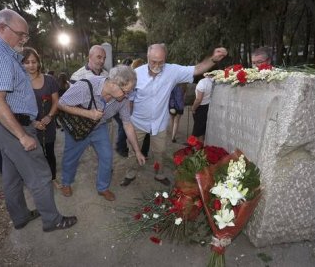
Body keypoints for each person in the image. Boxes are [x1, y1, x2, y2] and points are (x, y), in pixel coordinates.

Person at [0, 9, 77, 232]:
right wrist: (22, 135)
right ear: (1, 28)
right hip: (10, 125)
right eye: (21, 34)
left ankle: (20, 217)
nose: (24, 40)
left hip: (3, 124)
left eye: (26, 36)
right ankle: (52, 220)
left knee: (12, 176)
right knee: (39, 174)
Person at [121, 43, 228, 187]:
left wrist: (213, 59)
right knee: (134, 151)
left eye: (161, 62)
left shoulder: (172, 71)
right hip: (138, 122)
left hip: (159, 123)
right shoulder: (136, 74)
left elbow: (197, 69)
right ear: (147, 57)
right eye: (153, 61)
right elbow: (129, 99)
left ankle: (159, 174)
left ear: (165, 59)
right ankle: (130, 173)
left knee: (160, 152)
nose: (157, 65)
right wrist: (128, 120)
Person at [58, 65, 145, 201]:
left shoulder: (123, 100)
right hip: (78, 128)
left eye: (129, 92)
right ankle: (66, 183)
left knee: (107, 156)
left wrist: (137, 151)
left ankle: (103, 187)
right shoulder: (86, 86)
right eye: (125, 91)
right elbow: (61, 103)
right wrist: (88, 113)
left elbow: (127, 124)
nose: (127, 95)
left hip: (99, 128)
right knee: (71, 158)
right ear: (113, 84)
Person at [22, 47, 60, 187]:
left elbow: (56, 101)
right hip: (28, 126)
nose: (31, 65)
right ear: (21, 64)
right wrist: (33, 122)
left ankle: (53, 178)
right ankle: (37, 181)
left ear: (39, 63)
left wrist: (50, 116)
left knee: (49, 152)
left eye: (34, 61)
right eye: (26, 62)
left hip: (48, 124)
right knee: (32, 155)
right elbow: (18, 108)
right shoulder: (19, 83)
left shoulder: (49, 80)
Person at [191, 76, 213, 142]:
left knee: (198, 132)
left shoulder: (203, 82)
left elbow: (198, 99)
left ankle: (198, 150)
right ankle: (200, 148)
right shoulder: (213, 81)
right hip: (208, 106)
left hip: (200, 107)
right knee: (202, 130)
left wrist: (193, 108)